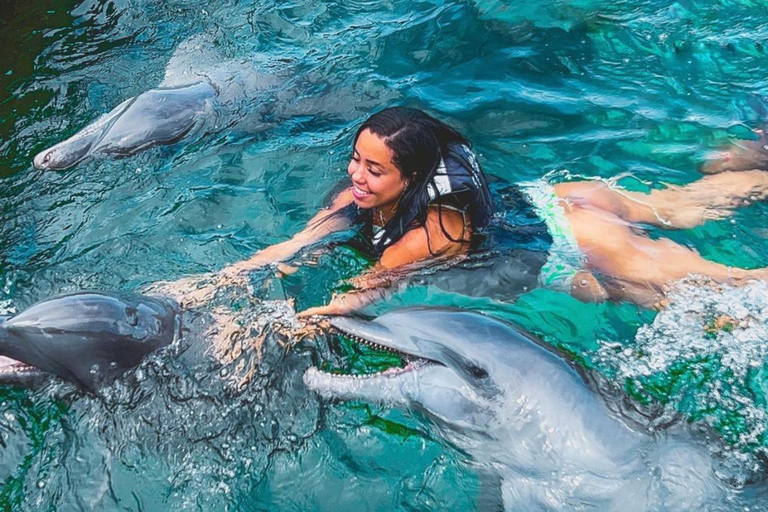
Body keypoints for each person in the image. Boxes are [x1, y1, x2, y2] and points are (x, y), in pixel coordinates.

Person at [152, 107, 768, 314]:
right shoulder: (355, 197)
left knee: (735, 293)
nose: (357, 177)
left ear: (412, 178)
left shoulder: (434, 228)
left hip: (581, 236)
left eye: (375, 169)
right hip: (556, 198)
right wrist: (212, 283)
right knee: (686, 207)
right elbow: (290, 247)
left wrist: (298, 323)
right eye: (356, 160)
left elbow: (366, 289)